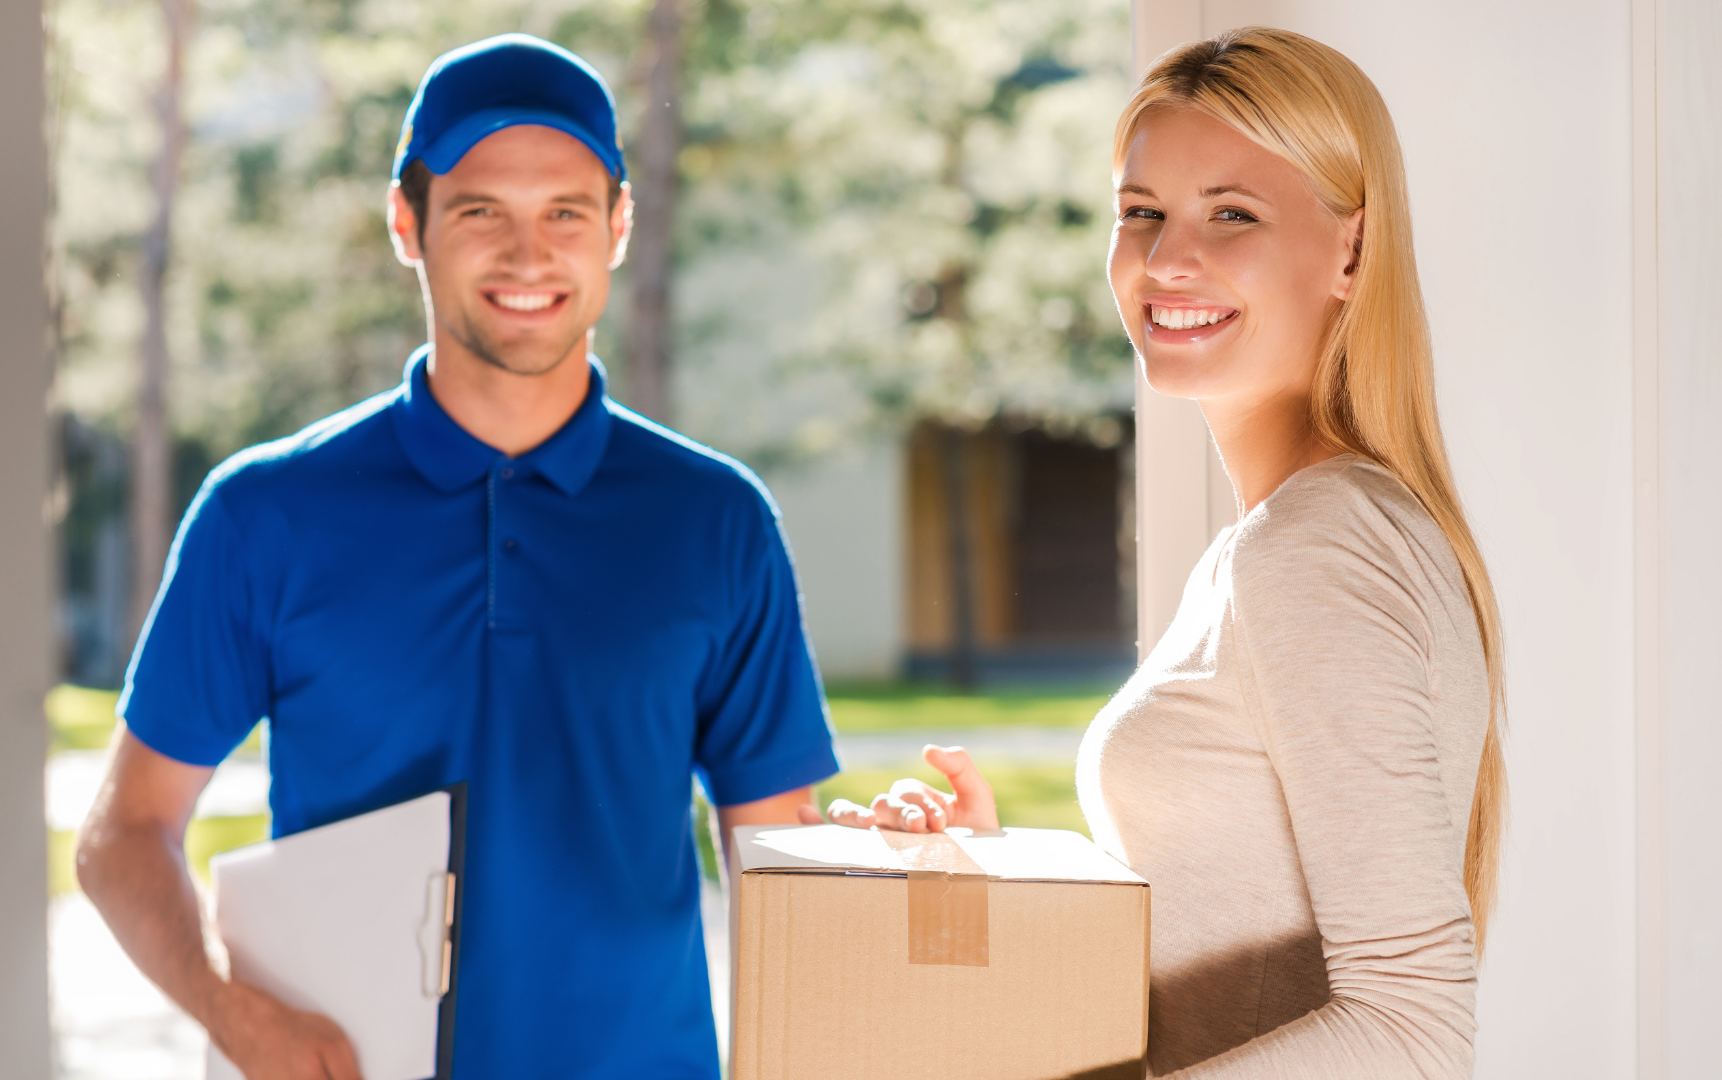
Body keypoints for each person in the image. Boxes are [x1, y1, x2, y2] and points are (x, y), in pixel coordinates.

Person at [75, 35, 839, 1080]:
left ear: (618, 227)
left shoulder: (716, 521)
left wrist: (911, 858)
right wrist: (230, 1010)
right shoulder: (266, 515)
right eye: (482, 212)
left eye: (566, 213)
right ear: (408, 223)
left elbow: (780, 858)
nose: (529, 257)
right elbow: (126, 834)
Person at [828, 28, 1505, 1079]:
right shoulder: (1292, 540)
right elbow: (1234, 970)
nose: (1167, 258)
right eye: (1140, 213)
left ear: (1352, 251)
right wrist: (1004, 883)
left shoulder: (1318, 547)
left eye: (1232, 213)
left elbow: (1414, 1035)